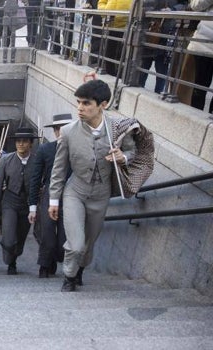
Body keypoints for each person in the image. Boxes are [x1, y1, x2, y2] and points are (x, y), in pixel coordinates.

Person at [48, 79, 135, 292]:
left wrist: (123, 156)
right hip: (74, 192)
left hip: (101, 195)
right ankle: (68, 277)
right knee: (75, 244)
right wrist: (53, 200)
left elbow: (133, 152)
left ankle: (79, 271)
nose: (80, 108)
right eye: (78, 102)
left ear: (102, 105)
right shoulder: (68, 132)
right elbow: (58, 169)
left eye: (86, 103)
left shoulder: (118, 129)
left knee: (88, 245)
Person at [28, 114, 72, 279]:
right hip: (49, 193)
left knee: (64, 238)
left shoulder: (77, 149)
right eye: (58, 129)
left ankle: (56, 257)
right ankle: (44, 265)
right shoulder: (45, 149)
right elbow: (35, 178)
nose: (61, 132)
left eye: (65, 128)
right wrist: (32, 206)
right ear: (54, 131)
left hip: (71, 194)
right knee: (47, 233)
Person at [0, 127, 37, 275]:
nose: (21, 144)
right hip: (10, 201)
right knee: (9, 237)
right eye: (18, 141)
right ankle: (10, 260)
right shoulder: (6, 160)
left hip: (28, 202)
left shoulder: (36, 160)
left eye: (24, 141)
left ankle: (14, 259)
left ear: (30, 144)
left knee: (21, 235)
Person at [186, 0, 213, 113]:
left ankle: (198, 118)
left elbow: (195, 5)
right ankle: (196, 117)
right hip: (204, 43)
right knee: (200, 86)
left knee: (200, 86)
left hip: (204, 42)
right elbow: (196, 6)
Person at [97, 0, 133, 76]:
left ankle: (121, 75)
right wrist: (106, 11)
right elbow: (101, 3)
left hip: (127, 26)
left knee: (124, 54)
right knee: (109, 52)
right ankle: (110, 73)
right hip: (111, 25)